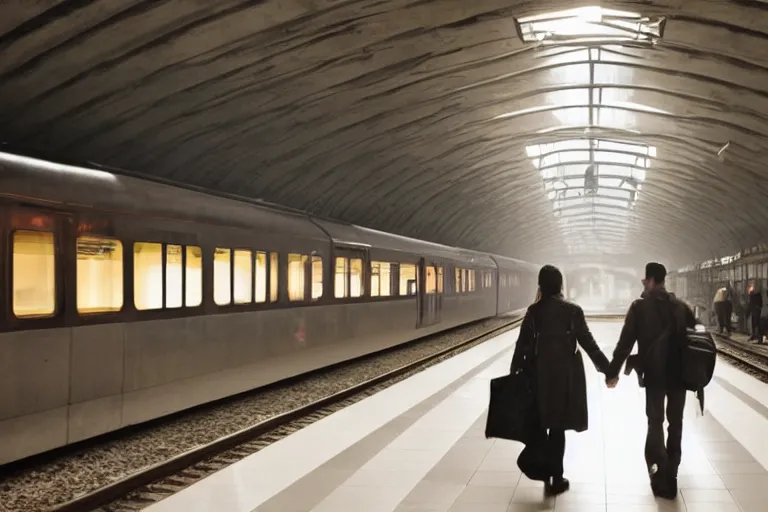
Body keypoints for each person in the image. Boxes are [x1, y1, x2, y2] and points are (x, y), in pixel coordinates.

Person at [510, 265, 610, 496]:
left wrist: (514, 372)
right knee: (557, 427)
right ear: (560, 285)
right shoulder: (572, 311)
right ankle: (556, 476)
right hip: (565, 377)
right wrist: (608, 369)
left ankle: (545, 470)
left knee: (540, 422)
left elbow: (522, 345)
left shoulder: (534, 311)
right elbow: (588, 343)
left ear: (540, 285)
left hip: (538, 376)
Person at [605, 262, 696, 499]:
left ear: (651, 281)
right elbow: (696, 339)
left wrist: (612, 372)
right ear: (664, 280)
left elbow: (625, 343)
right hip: (679, 377)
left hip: (655, 376)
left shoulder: (639, 307)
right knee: (676, 422)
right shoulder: (681, 307)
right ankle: (672, 472)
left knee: (655, 422)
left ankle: (659, 473)